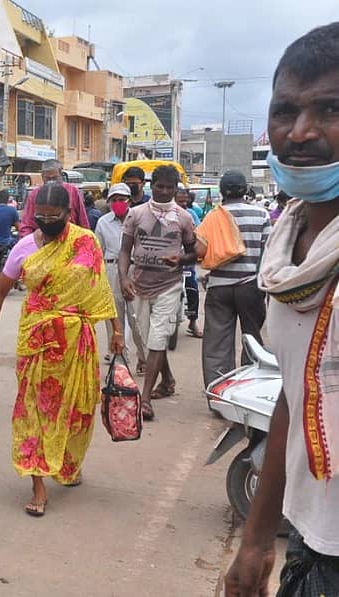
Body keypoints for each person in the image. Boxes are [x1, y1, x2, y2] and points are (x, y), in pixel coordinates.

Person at [225, 22, 339, 597]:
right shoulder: (286, 245)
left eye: (330, 109)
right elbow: (295, 395)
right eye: (285, 111)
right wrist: (256, 539)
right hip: (311, 536)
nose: (301, 132)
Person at [0, 183, 123, 516]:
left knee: (79, 408)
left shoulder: (85, 242)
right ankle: (39, 484)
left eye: (53, 216)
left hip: (77, 343)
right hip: (38, 341)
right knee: (35, 411)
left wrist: (116, 331)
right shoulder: (24, 247)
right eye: (40, 216)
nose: (46, 221)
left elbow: (99, 290)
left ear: (68, 213)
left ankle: (67, 463)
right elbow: (0, 293)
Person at [118, 165, 197, 421]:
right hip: (139, 283)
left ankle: (146, 399)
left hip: (169, 285)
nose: (164, 191)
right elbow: (124, 251)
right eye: (160, 186)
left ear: (176, 189)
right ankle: (168, 379)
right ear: (152, 186)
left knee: (158, 337)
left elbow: (195, 252)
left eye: (169, 187)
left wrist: (181, 259)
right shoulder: (136, 214)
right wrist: (123, 278)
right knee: (146, 338)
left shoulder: (184, 218)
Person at [200, 171, 271, 387]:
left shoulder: (213, 216)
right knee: (252, 339)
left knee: (216, 344)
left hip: (219, 287)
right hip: (251, 286)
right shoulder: (262, 215)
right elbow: (268, 254)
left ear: (221, 192)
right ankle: (248, 388)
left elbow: (203, 251)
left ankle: (218, 391)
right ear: (246, 190)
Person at [95, 183, 138, 362]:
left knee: (137, 318)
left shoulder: (138, 218)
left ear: (129, 201)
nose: (118, 203)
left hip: (134, 269)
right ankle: (119, 360)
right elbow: (98, 251)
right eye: (114, 200)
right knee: (114, 317)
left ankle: (144, 357)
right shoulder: (103, 222)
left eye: (122, 199)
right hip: (111, 269)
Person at [20, 159, 90, 235]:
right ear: (42, 176)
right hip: (43, 242)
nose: (51, 182)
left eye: (54, 178)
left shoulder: (73, 191)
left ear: (61, 174)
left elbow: (83, 221)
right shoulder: (34, 195)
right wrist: (30, 244)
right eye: (48, 178)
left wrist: (85, 239)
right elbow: (26, 226)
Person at [175, 185, 202, 338]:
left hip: (186, 260)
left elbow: (199, 232)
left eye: (186, 202)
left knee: (192, 286)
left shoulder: (191, 214)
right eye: (180, 202)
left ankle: (192, 322)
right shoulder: (166, 214)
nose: (184, 205)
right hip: (167, 261)